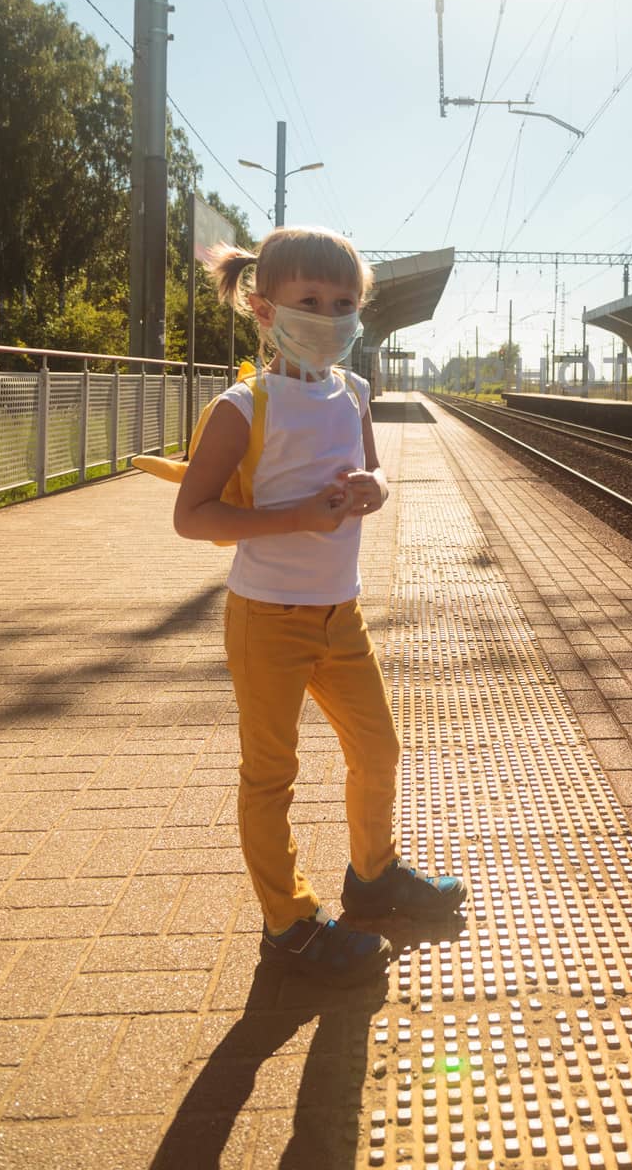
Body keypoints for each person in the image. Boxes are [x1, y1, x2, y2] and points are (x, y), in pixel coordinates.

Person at [174, 226, 466, 987]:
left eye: (344, 303)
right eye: (311, 301)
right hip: (266, 617)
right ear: (265, 309)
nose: (330, 316)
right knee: (270, 777)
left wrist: (375, 490)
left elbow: (368, 475)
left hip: (342, 613)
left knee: (378, 751)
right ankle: (290, 926)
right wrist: (295, 518)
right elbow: (193, 516)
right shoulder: (243, 406)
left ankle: (371, 876)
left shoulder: (356, 392)